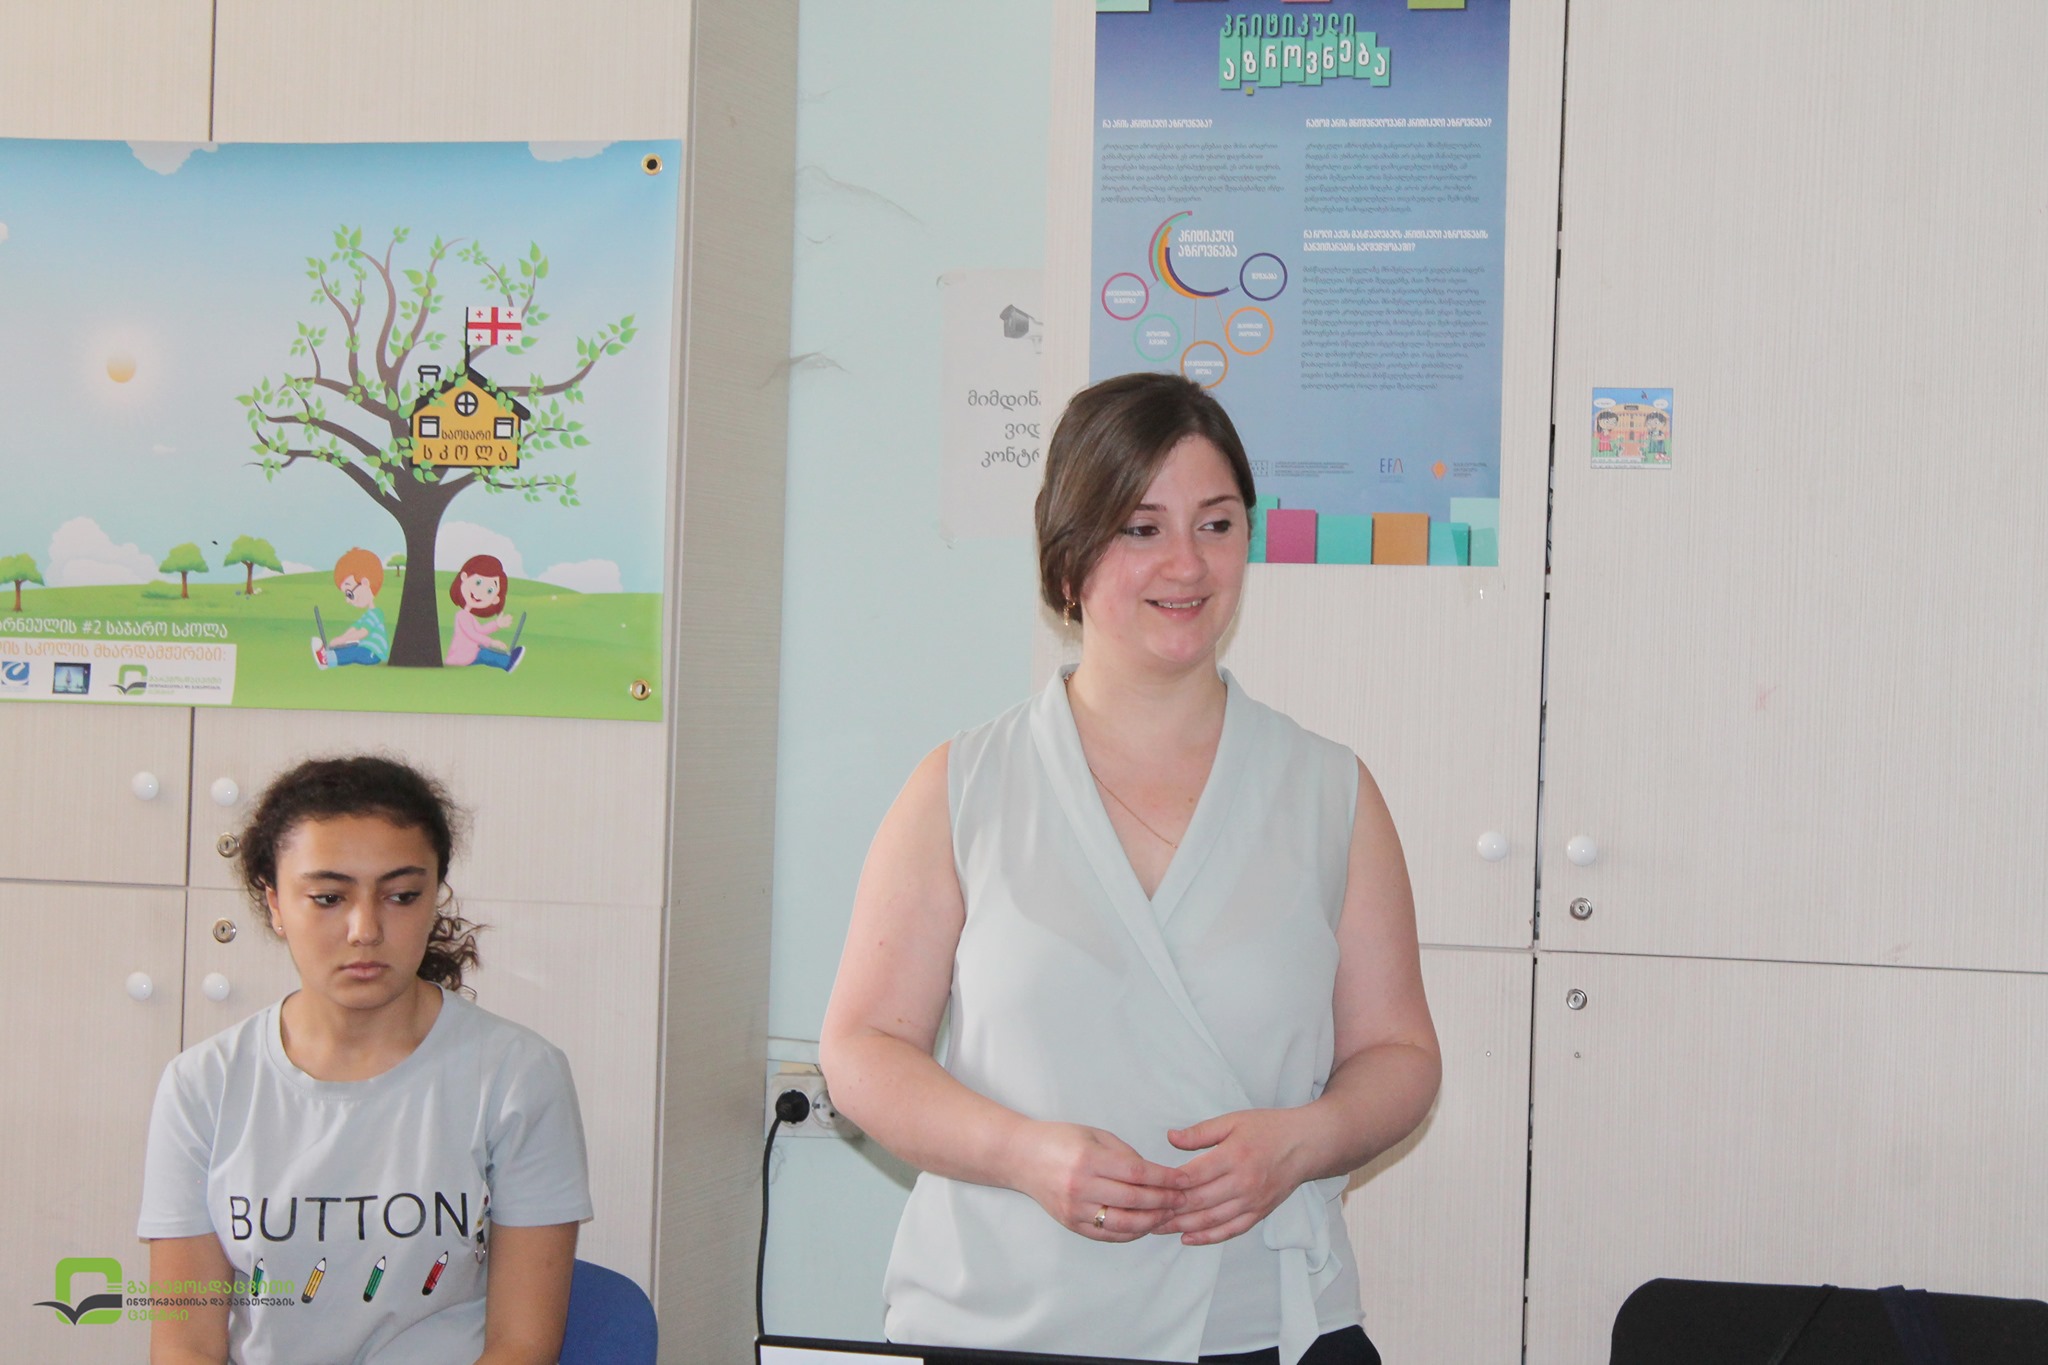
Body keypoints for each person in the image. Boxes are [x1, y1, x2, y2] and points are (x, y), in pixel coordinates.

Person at [820, 372, 1441, 1365]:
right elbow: (862, 1048)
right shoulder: (963, 784)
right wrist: (1023, 1155)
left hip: (1259, 1322)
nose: (1186, 564)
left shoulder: (1329, 789)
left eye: (1216, 523)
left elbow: (1400, 1054)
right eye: (1140, 528)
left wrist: (1305, 1141)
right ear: (1068, 559)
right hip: (1005, 1320)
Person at [138, 756, 590, 1365]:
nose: (365, 929)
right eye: (328, 897)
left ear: (435, 897)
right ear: (275, 904)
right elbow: (184, 1345)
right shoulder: (202, 1085)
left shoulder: (517, 1076)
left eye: (402, 896)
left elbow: (523, 1345)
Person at [444, 554, 525, 672]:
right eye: (478, 582)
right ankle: (507, 663)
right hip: (463, 655)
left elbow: (480, 630)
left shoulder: (468, 616)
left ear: (495, 599)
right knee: (486, 655)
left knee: (485, 654)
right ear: (464, 577)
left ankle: (507, 661)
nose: (480, 592)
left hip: (469, 653)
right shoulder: (462, 615)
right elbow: (472, 634)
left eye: (489, 590)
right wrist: (491, 642)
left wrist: (497, 624)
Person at [312, 548, 390, 669]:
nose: (348, 600)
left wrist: (343, 639)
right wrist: (340, 640)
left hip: (373, 653)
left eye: (349, 594)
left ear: (365, 583)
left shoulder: (376, 613)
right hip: (365, 647)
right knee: (349, 647)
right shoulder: (367, 615)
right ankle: (329, 657)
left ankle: (327, 659)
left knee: (355, 652)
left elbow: (363, 633)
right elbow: (354, 628)